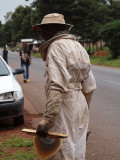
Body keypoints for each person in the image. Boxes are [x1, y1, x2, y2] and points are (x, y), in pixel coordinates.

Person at [33, 13, 96, 160]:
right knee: (78, 150)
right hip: (80, 103)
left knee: (63, 152)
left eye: (44, 31)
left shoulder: (56, 47)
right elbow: (90, 86)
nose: (43, 34)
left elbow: (57, 86)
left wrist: (46, 120)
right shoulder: (79, 46)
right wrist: (82, 111)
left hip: (64, 105)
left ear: (51, 30)